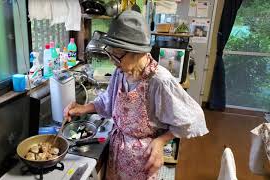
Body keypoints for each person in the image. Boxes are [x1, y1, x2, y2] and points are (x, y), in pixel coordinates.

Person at [64, 10, 209, 180]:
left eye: (117, 56)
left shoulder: (159, 81)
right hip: (117, 154)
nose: (113, 61)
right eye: (111, 54)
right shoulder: (121, 71)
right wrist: (83, 108)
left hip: (143, 160)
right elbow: (108, 101)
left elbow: (192, 118)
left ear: (138, 52)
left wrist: (161, 141)